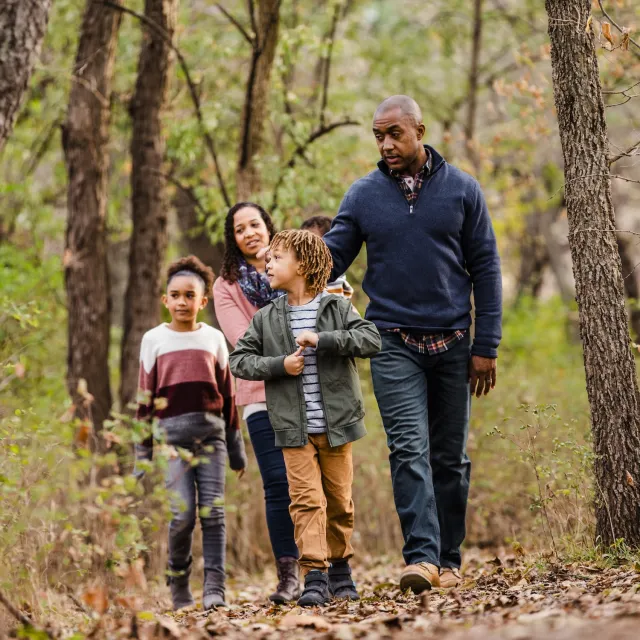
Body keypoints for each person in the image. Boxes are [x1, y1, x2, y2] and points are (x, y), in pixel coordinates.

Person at [323, 95, 503, 593]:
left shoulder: (463, 189)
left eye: (394, 134)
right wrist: (283, 261)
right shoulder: (362, 195)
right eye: (378, 136)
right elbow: (331, 257)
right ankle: (421, 557)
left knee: (450, 458)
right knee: (408, 450)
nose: (386, 144)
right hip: (392, 340)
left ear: (419, 130)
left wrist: (486, 343)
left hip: (454, 343)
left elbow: (486, 268)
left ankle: (449, 558)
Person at [229, 229, 381, 606]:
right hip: (292, 428)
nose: (268, 263)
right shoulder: (266, 318)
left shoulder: (337, 307)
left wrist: (324, 340)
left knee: (339, 500)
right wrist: (280, 365)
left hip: (337, 425)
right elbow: (239, 361)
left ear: (303, 265)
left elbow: (371, 340)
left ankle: (341, 568)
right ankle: (315, 574)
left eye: (277, 258)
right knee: (305, 501)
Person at [134, 256, 247, 611]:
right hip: (171, 443)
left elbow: (229, 396)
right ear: (165, 300)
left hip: (211, 439)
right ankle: (178, 577)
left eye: (189, 296)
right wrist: (142, 455)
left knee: (213, 512)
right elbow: (144, 401)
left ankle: (215, 587)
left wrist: (236, 449)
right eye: (175, 295)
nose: (182, 302)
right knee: (182, 516)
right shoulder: (153, 340)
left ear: (202, 301)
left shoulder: (214, 339)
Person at [212, 202, 301, 603]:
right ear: (232, 239)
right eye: (239, 229)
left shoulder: (297, 262)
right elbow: (243, 340)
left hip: (307, 387)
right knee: (278, 485)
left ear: (268, 226)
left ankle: (330, 569)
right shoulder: (225, 286)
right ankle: (289, 575)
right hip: (260, 395)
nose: (249, 233)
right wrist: (290, 345)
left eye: (255, 224)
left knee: (315, 478)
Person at [300, 216, 354, 300]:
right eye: (302, 242)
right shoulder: (298, 275)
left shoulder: (336, 280)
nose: (306, 248)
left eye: (312, 242)